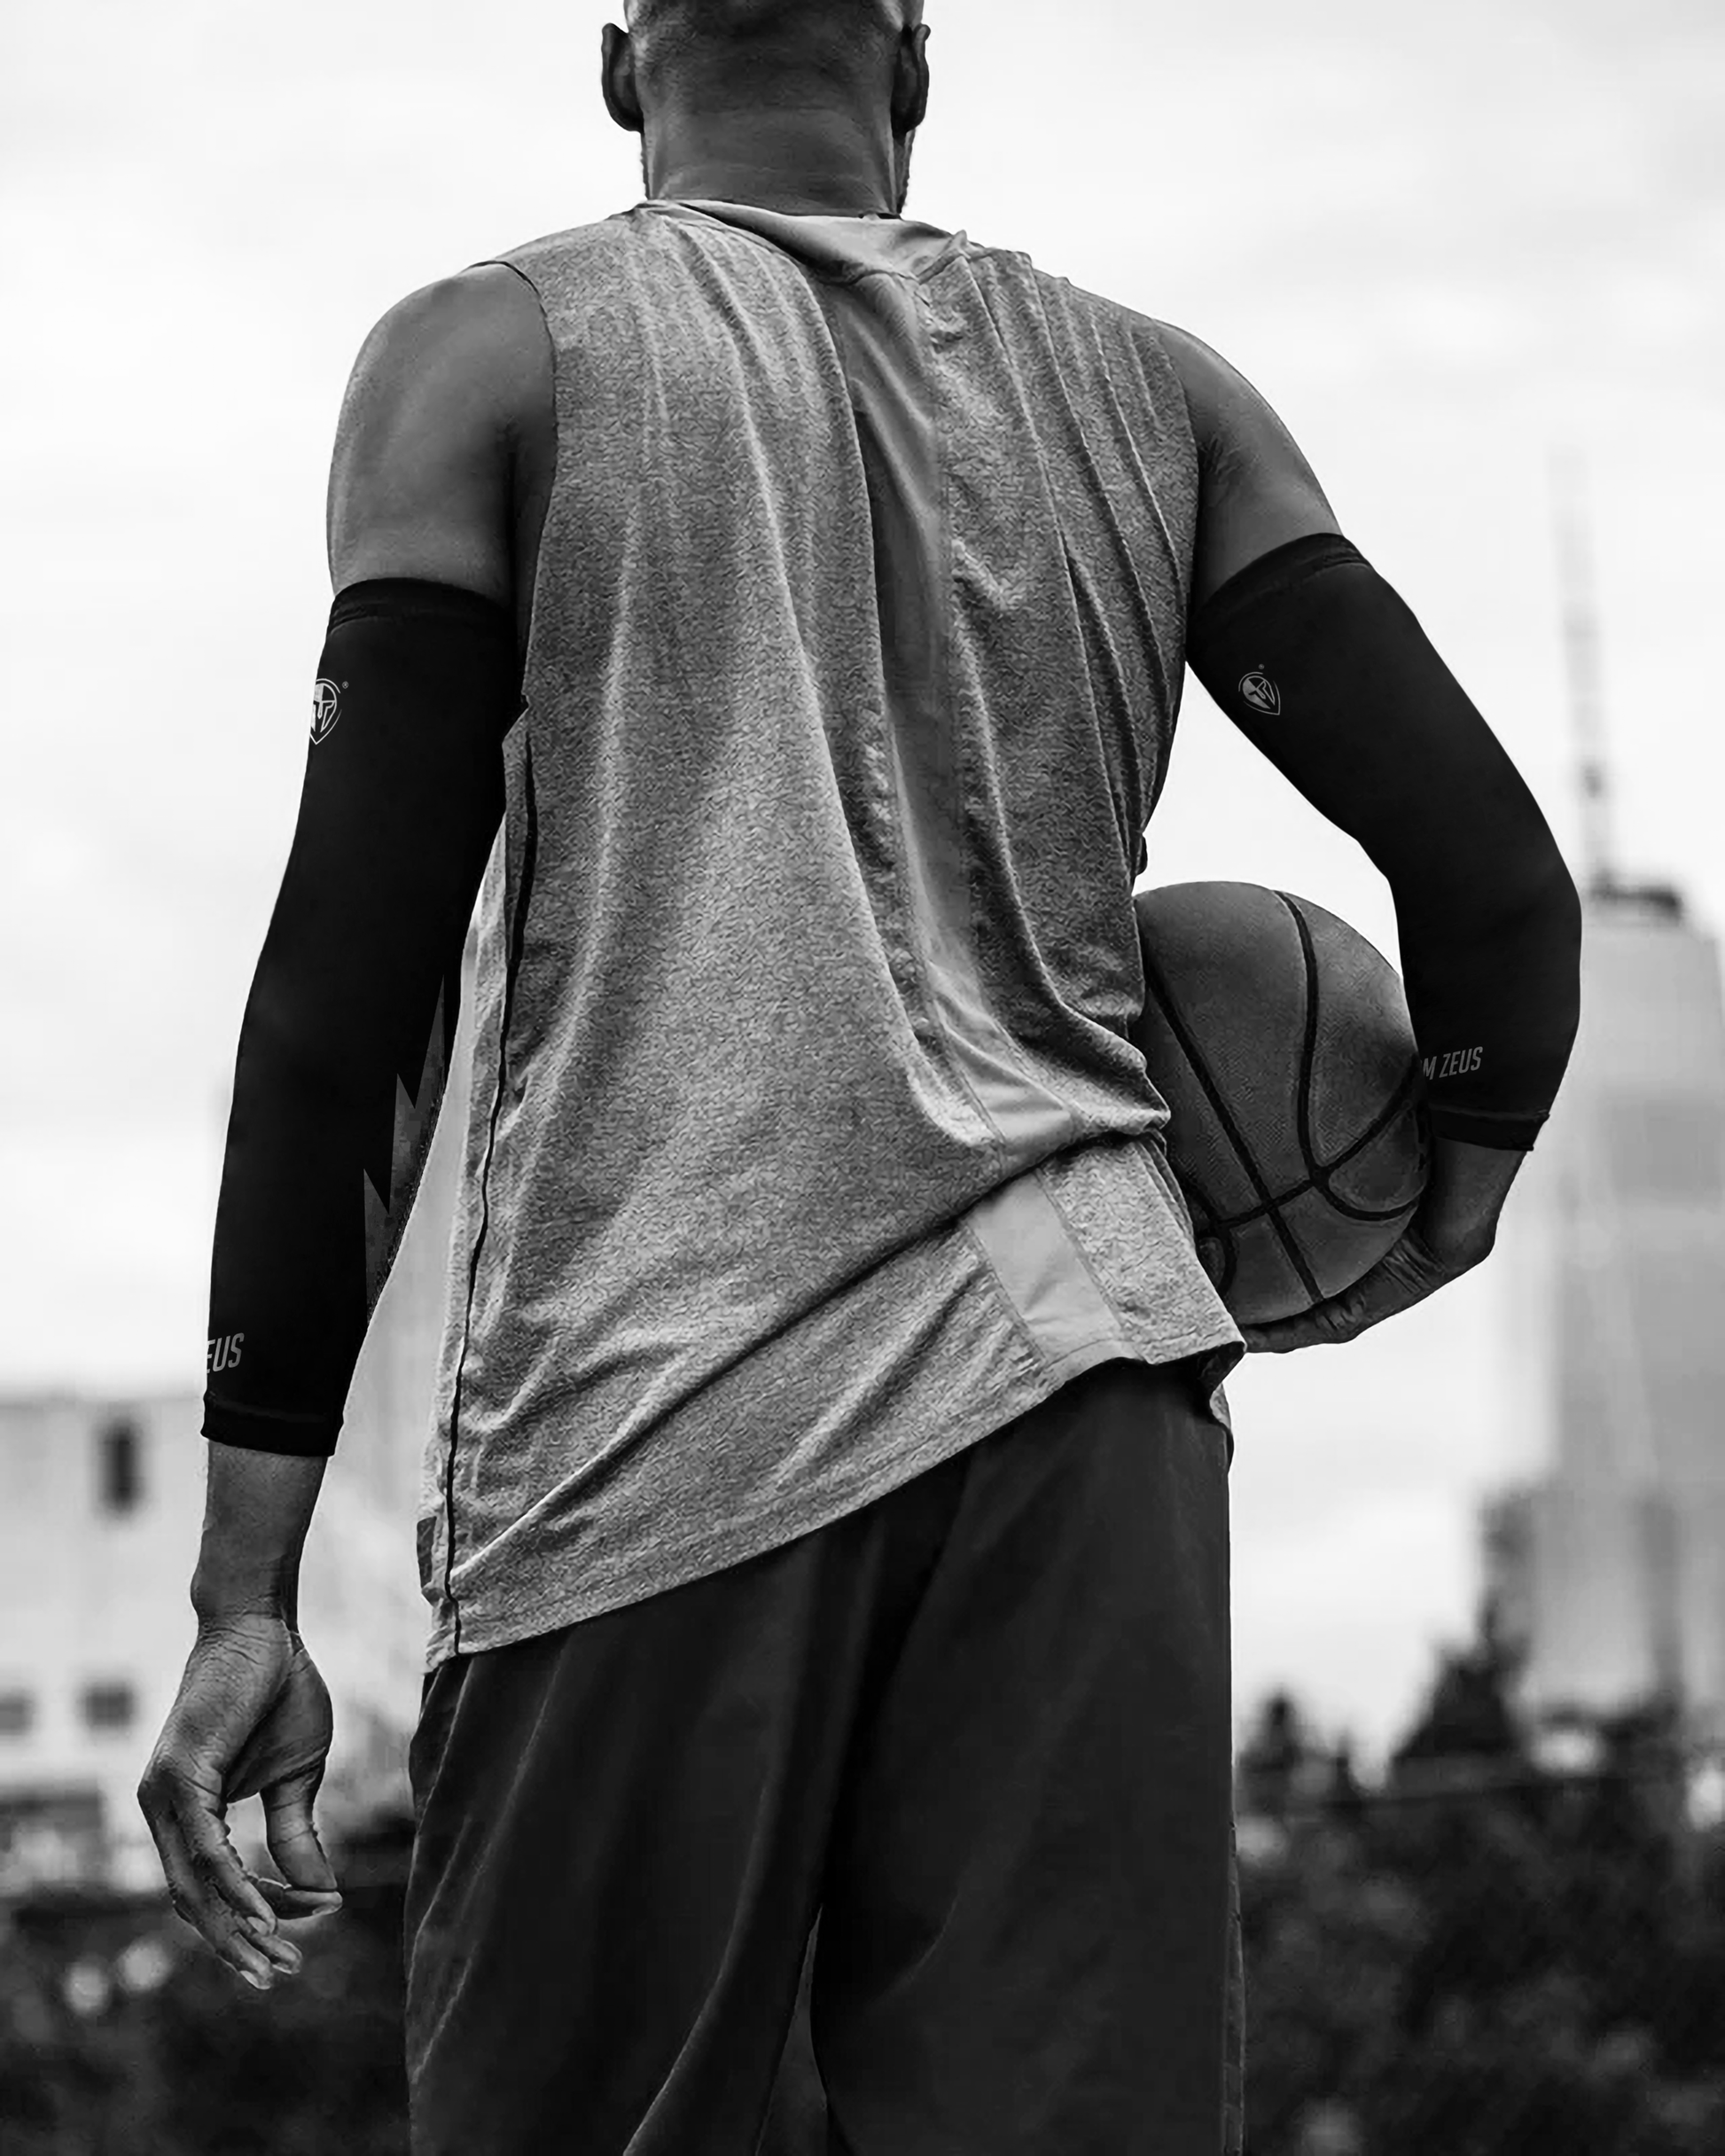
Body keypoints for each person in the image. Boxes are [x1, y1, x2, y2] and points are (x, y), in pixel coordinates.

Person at [137, 4, 1582, 2151]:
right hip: (1082, 1395)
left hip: (649, 1419)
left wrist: (243, 1589)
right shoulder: (1164, 395)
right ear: (912, 63)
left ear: (619, 67)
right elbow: (1492, 882)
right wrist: (1441, 1201)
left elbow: (346, 995)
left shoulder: (482, 359)